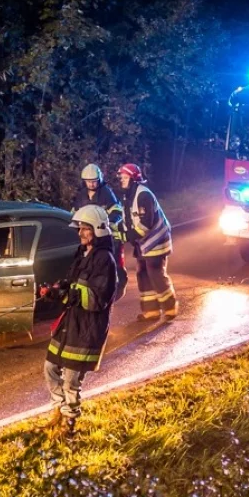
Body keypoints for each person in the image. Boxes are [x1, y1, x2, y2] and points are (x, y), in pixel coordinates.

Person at [39, 205, 117, 438]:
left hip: (87, 327)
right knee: (50, 367)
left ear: (98, 230)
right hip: (70, 322)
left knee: (71, 379)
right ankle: (57, 410)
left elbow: (97, 298)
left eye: (86, 229)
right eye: (80, 228)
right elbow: (71, 285)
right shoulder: (81, 254)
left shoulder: (105, 260)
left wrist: (73, 293)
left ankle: (69, 421)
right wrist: (56, 291)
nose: (81, 233)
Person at [118, 163, 176, 321]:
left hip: (156, 241)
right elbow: (129, 218)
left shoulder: (144, 195)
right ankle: (151, 311)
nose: (122, 181)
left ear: (133, 179)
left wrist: (127, 236)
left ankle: (170, 307)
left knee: (155, 273)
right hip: (143, 243)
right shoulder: (128, 195)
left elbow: (146, 224)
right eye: (121, 178)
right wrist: (119, 229)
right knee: (142, 274)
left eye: (124, 178)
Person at [72, 163, 128, 301]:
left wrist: (108, 223)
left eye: (94, 181)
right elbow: (74, 213)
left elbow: (117, 211)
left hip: (106, 237)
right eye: (88, 181)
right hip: (89, 238)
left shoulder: (106, 193)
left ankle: (115, 289)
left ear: (99, 179)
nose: (91, 184)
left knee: (111, 265)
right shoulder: (81, 195)